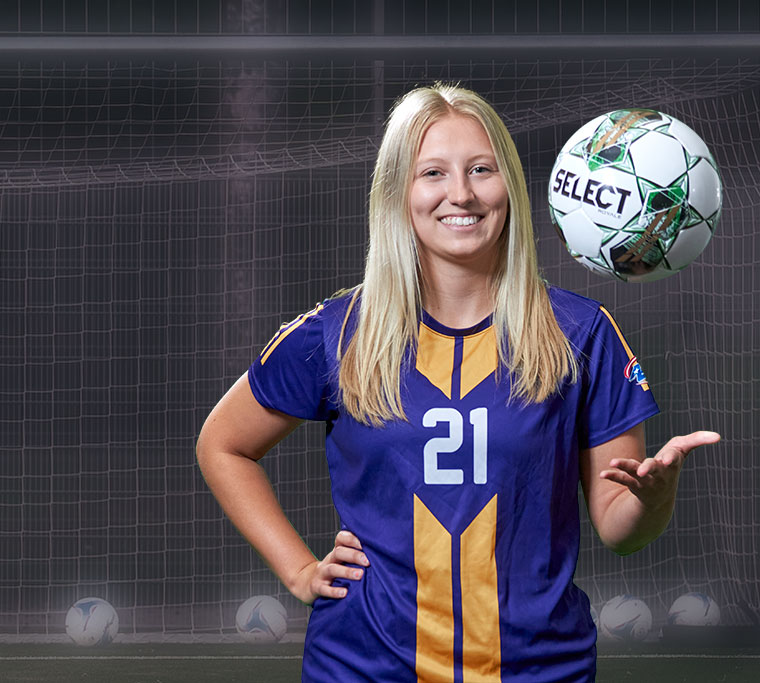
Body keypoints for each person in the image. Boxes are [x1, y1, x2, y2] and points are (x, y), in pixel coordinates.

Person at [196, 83, 719, 682]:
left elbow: (620, 530)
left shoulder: (580, 333)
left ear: (510, 188)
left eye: (480, 169)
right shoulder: (338, 334)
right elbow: (223, 444)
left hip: (536, 668)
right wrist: (299, 571)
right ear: (399, 194)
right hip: (366, 667)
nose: (461, 193)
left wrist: (654, 501)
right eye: (433, 173)